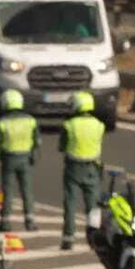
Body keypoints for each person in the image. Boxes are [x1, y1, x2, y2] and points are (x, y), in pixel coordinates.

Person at [58, 90, 106, 251]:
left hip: (73, 167)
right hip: (93, 167)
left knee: (70, 203)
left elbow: (61, 146)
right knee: (93, 206)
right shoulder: (99, 125)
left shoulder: (69, 125)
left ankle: (68, 238)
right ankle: (94, 239)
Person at [0, 89, 39, 231]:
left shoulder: (2, 122)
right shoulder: (31, 120)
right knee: (27, 190)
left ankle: (5, 222)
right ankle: (30, 221)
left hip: (8, 160)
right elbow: (37, 141)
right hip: (26, 159)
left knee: (8, 191)